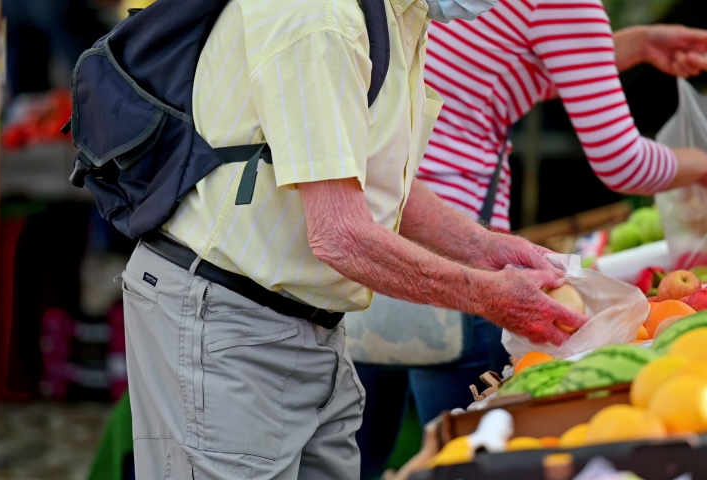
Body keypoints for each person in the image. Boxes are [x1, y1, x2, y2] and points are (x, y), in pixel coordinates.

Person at [120, 0, 589, 479]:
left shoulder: (395, 15)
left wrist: (482, 247)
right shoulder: (322, 16)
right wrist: (484, 294)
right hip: (224, 319)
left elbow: (356, 169)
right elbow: (340, 235)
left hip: (306, 324)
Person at [354, 2, 707, 477]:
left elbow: (510, 71)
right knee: (461, 456)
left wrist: (636, 45)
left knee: (357, 456)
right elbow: (621, 160)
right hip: (457, 242)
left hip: (377, 234)